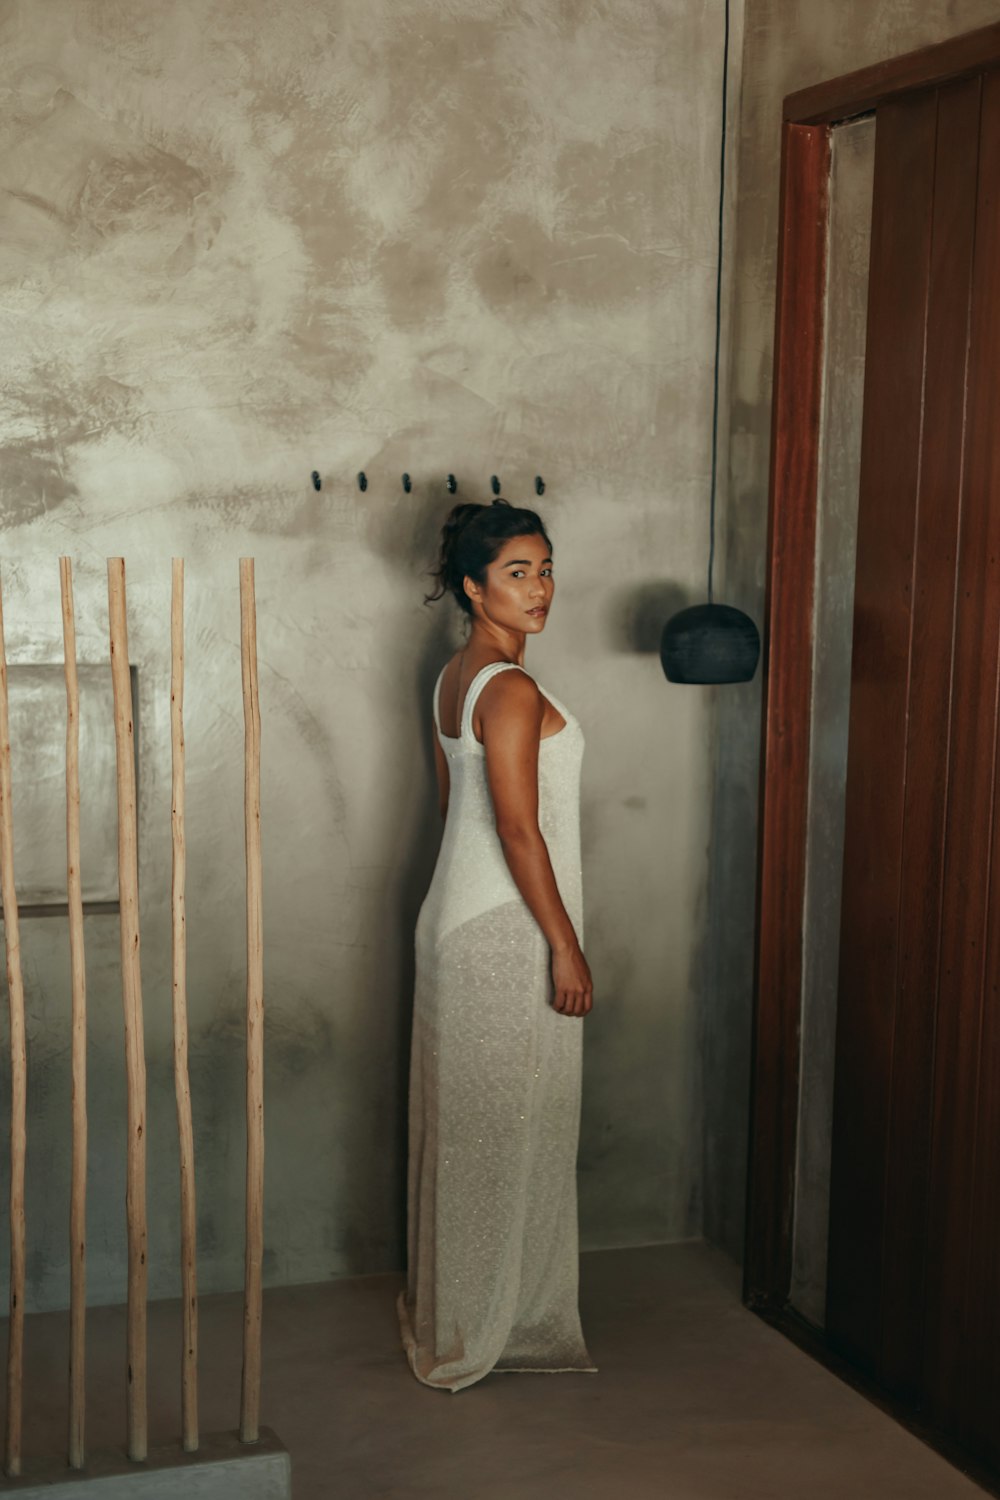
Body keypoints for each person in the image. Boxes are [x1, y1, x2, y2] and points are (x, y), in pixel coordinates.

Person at [396, 497, 597, 1392]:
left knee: (474, 1130)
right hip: (505, 932)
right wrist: (565, 945)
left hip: (453, 914)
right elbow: (518, 830)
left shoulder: (454, 676)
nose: (540, 588)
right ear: (474, 588)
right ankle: (489, 1324)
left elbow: (454, 811)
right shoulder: (509, 688)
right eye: (518, 573)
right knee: (503, 1126)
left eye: (546, 568)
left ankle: (480, 1311)